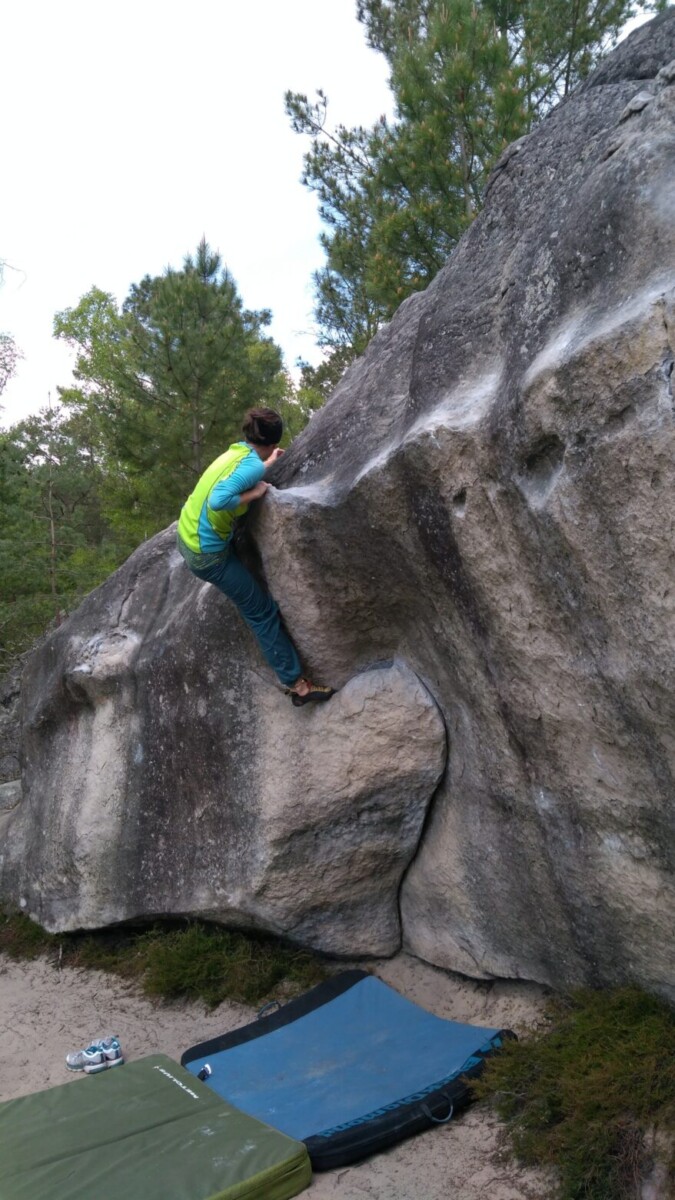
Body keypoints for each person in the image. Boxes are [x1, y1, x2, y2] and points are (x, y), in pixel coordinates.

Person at [177, 406, 335, 706]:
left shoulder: (234, 453)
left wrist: (265, 465)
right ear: (274, 442)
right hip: (207, 556)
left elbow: (238, 474)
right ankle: (296, 685)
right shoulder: (249, 466)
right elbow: (219, 499)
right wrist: (256, 492)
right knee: (261, 611)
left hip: (187, 538)